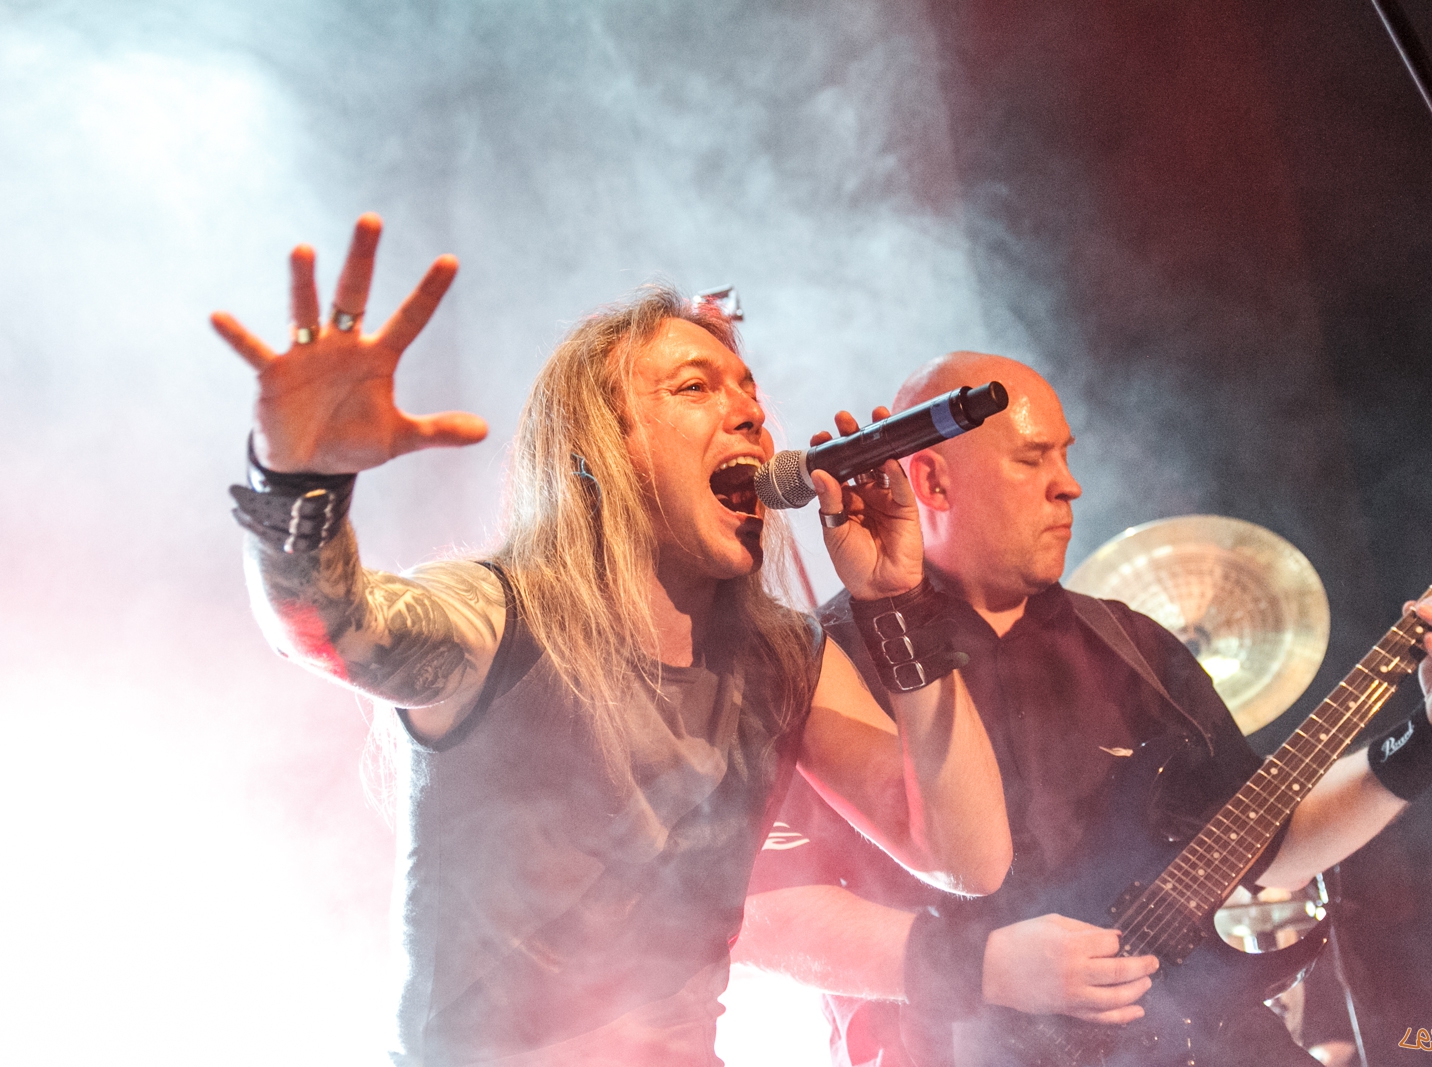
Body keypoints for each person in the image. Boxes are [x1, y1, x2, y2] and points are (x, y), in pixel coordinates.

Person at [210, 215, 1013, 1067]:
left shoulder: (780, 661)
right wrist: (297, 482)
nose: (749, 413)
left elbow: (968, 857)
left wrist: (897, 604)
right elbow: (328, 625)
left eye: (751, 394)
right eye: (695, 387)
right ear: (599, 447)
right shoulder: (502, 616)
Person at [734, 351, 1432, 1066]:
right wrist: (981, 963)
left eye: (1066, 456)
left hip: (1190, 1034)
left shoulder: (1133, 646)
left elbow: (1263, 846)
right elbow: (764, 913)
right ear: (932, 481)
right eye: (1032, 459)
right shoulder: (828, 662)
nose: (1069, 486)